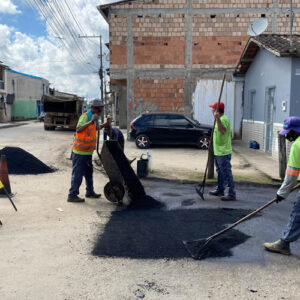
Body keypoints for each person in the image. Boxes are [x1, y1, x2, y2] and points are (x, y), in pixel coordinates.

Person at [264, 117, 300, 255]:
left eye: (288, 132)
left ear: (295, 131)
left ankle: (284, 244)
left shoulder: (297, 145)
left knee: (298, 214)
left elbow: (291, 175)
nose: (286, 135)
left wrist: (282, 193)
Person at [67, 100, 107, 203]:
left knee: (89, 174)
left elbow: (97, 128)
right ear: (94, 109)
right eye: (100, 109)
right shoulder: (85, 116)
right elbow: (78, 129)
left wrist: (106, 124)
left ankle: (90, 192)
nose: (101, 111)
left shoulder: (95, 118)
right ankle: (72, 195)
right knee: (78, 175)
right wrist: (90, 121)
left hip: (88, 152)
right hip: (80, 152)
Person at [208, 101, 236, 201]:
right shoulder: (218, 119)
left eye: (213, 109)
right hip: (218, 151)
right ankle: (220, 189)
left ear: (217, 111)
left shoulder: (223, 119)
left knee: (226, 172)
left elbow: (223, 130)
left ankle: (231, 193)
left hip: (223, 152)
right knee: (220, 171)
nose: (211, 111)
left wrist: (218, 119)